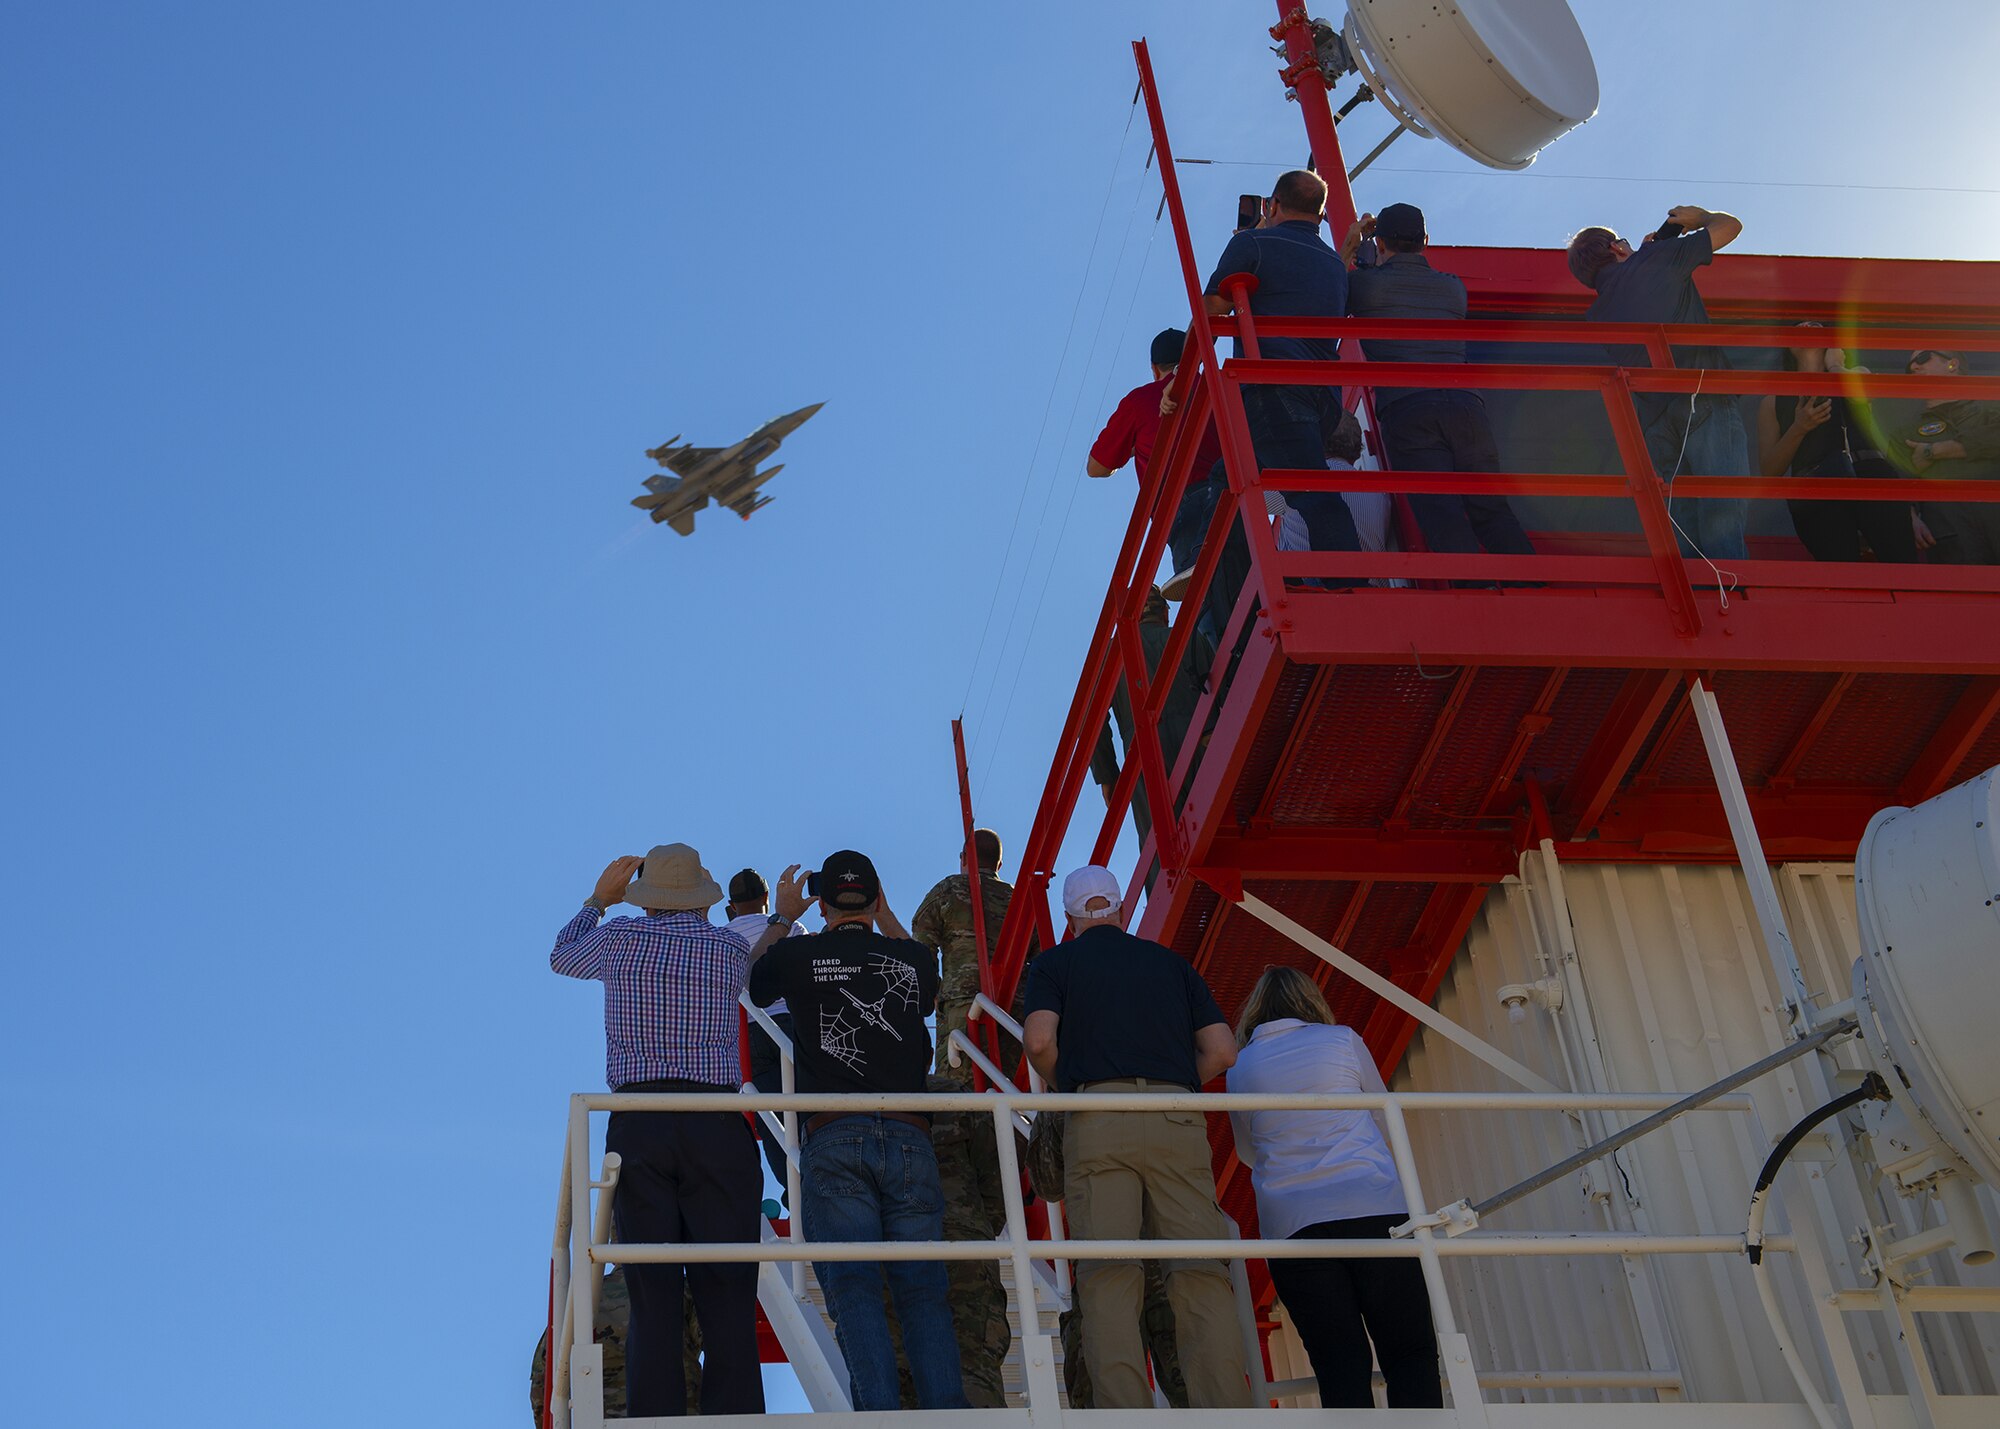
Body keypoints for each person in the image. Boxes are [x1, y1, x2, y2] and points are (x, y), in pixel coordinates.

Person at [1021, 865, 1251, 1409]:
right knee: (1199, 1270)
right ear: (1121, 908)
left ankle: (1127, 1415)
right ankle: (1227, 1413)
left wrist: (1072, 1088)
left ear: (1070, 917)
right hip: (1175, 1114)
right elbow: (1222, 1052)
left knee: (1108, 1276)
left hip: (1098, 1119)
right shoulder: (1171, 964)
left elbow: (1037, 1040)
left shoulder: (1054, 964)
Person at [549, 844, 765, 1418]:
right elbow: (760, 952)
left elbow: (561, 956)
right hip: (717, 1123)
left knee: (652, 1298)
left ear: (644, 901)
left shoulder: (618, 937)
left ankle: (656, 1418)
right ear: (701, 900)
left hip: (639, 1125)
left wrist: (599, 899)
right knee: (728, 1295)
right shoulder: (725, 948)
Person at [746, 855, 968, 1411]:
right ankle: (949, 1415)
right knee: (923, 1291)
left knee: (853, 1288)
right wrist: (886, 915)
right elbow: (931, 986)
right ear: (873, 900)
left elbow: (749, 981)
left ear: (821, 905)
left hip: (834, 1132)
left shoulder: (800, 954)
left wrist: (781, 915)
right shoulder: (908, 958)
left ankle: (879, 1417)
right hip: (910, 1134)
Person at [1225, 965, 1441, 1408]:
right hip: (1373, 1206)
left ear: (1255, 1012)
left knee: (1339, 1364)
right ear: (1310, 1002)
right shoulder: (1342, 1039)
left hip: (1295, 1227)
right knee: (1409, 1352)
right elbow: (1383, 1116)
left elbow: (1249, 1151)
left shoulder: (1240, 1067)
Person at [1167, 169, 1361, 622]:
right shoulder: (1335, 264)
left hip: (1274, 387)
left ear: (1273, 205)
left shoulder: (1253, 245)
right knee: (1231, 476)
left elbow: (1211, 306)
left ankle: (1349, 583)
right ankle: (1220, 565)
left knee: (1309, 491)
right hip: (1321, 398)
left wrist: (1180, 383)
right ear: (1317, 214)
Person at [1342, 203, 1536, 577]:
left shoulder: (1364, 285)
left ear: (1378, 242)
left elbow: (1330, 290)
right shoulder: (1453, 288)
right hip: (1466, 407)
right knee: (1492, 510)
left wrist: (1353, 247)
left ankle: (1477, 599)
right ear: (1425, 240)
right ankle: (1532, 588)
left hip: (1408, 409)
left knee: (1442, 515)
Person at [1567, 205, 1749, 561]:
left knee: (1683, 528)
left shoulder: (1599, 315)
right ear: (1617, 249)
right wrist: (1699, 218)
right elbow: (1731, 227)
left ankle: (1701, 599)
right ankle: (1732, 598)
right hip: (1705, 400)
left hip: (1657, 426)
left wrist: (1648, 254)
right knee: (1722, 514)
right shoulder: (1657, 259)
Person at [908, 830, 1020, 1407]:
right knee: (1005, 1113)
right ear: (999, 862)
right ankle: (996, 1205)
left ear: (963, 861)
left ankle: (973, 1203)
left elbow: (917, 952)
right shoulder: (1019, 895)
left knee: (955, 1115)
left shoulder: (951, 890)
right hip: (1011, 1020)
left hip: (960, 1013)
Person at [1755, 324, 1918, 564]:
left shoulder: (1853, 373)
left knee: (1902, 565)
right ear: (1788, 345)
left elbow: (1864, 394)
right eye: (1801, 324)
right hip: (1815, 490)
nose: (1809, 326)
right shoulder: (1773, 402)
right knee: (1839, 570)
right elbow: (1770, 472)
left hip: (1873, 478)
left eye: (1817, 325)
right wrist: (1799, 428)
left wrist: (1834, 365)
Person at [1087, 586, 1215, 843]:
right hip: (1201, 741)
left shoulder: (1113, 654)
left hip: (1144, 755)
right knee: (1215, 829)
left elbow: (1091, 721)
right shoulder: (1191, 638)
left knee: (1161, 848)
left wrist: (1108, 776)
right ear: (1165, 613)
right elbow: (1223, 691)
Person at [724, 867, 803, 1199]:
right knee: (805, 1111)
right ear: (767, 899)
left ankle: (792, 1188)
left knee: (771, 1119)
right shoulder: (792, 928)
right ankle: (811, 1182)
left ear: (731, 905)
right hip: (790, 1027)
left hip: (750, 1036)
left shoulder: (723, 936)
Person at [1891, 348, 2000, 564]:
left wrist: (1934, 451)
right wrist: (1909, 518)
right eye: (1909, 367)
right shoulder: (1905, 433)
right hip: (1950, 532)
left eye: (1922, 358)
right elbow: (1897, 483)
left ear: (1952, 365)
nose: (1914, 367)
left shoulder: (1992, 409)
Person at [1087, 326, 1223, 487]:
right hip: (1234, 494)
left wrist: (1132, 449)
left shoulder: (1138, 401)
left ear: (1155, 368)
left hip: (1183, 506)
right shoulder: (1219, 388)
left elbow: (1096, 467)